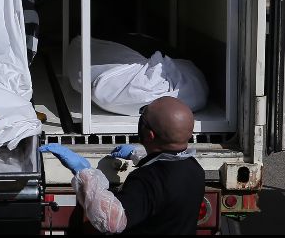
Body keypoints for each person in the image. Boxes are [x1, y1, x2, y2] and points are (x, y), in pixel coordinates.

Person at [39, 96, 205, 234]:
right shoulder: (195, 169)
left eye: (143, 119)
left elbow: (111, 221)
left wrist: (84, 172)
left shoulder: (147, 180)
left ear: (149, 134)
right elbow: (165, 174)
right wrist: (136, 155)